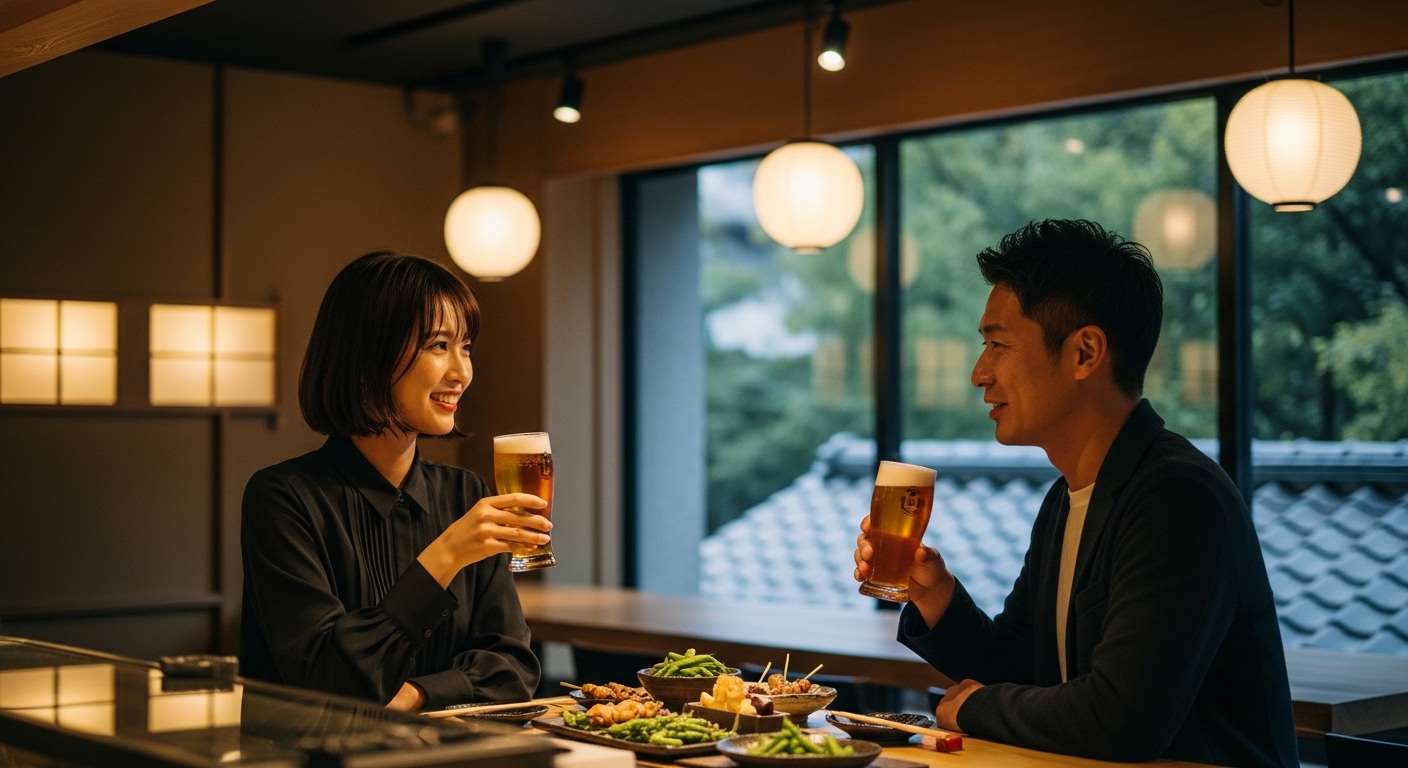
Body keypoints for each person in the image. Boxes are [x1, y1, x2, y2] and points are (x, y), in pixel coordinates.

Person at [853, 220, 1297, 767]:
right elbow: (1026, 670)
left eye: (997, 344)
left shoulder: (1177, 498)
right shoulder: (1067, 497)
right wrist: (935, 594)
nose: (979, 373)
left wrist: (973, 709)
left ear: (1085, 352)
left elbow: (1121, 721)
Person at [240, 251, 550, 712]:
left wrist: (415, 693)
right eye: (438, 346)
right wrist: (445, 556)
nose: (461, 372)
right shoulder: (284, 499)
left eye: (465, 347)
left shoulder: (466, 494)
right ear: (368, 357)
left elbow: (512, 668)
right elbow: (328, 679)